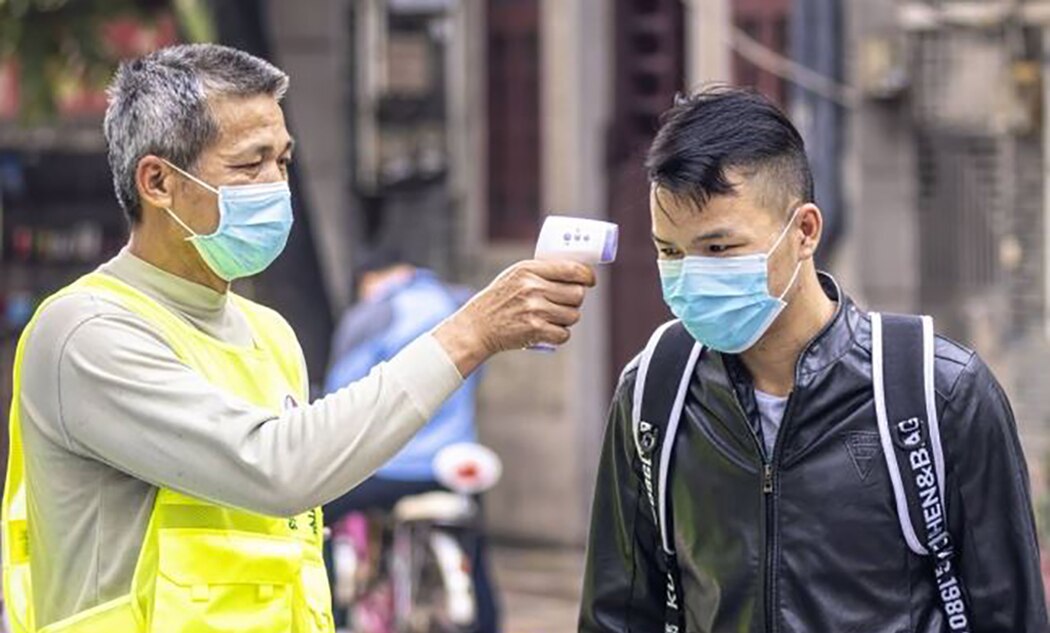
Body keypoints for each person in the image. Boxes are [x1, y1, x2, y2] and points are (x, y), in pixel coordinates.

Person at [3, 44, 595, 633]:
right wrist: (473, 331)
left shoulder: (267, 333)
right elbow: (280, 468)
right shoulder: (86, 332)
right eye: (249, 163)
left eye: (282, 161)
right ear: (158, 182)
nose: (275, 185)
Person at [579, 86, 1048, 632]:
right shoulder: (654, 395)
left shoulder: (938, 394)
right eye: (670, 252)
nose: (690, 276)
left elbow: (1010, 616)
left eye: (719, 249)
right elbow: (617, 615)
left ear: (804, 231)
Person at [322, 250, 499, 632]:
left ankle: (328, 616)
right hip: (452, 465)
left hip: (389, 469)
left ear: (371, 279)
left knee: (314, 515)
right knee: (474, 542)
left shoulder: (371, 314)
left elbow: (344, 397)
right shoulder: (459, 302)